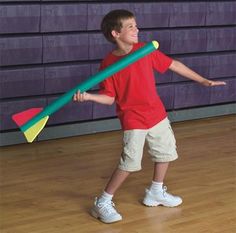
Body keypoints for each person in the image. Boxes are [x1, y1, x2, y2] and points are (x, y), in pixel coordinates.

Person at [73, 9, 226, 224]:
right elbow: (109, 98)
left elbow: (173, 65)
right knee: (129, 163)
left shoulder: (145, 50)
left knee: (165, 153)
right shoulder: (108, 65)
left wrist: (202, 80)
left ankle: (155, 191)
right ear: (115, 33)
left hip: (156, 113)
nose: (137, 30)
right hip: (133, 118)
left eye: (136, 25)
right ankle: (102, 202)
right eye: (131, 27)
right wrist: (88, 97)